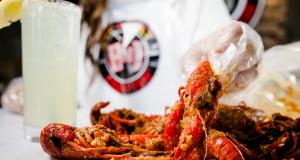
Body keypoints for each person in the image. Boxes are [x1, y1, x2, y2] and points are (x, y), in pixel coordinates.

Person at [1, 0, 263, 115]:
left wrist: (237, 52)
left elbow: (226, 80)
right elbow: (67, 95)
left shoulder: (195, 4)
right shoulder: (75, 15)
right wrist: (28, 90)